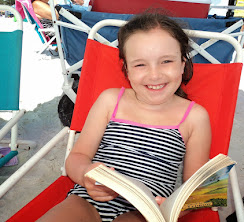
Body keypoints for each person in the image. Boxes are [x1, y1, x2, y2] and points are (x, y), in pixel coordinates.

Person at [38, 11, 211, 222]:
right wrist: (86, 175)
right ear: (126, 69)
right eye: (140, 64)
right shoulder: (110, 100)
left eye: (166, 61)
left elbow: (199, 188)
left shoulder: (195, 117)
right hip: (89, 199)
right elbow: (76, 157)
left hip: (146, 210)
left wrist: (174, 208)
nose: (154, 74)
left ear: (183, 64)